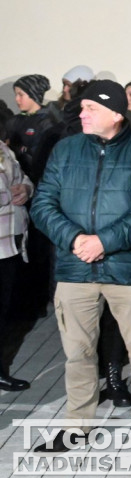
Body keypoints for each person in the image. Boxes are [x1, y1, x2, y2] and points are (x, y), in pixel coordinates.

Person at [30, 81, 131, 452]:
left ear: (116, 114)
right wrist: (76, 240)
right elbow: (42, 204)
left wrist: (104, 242)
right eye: (83, 108)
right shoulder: (66, 150)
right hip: (75, 270)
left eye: (92, 108)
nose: (83, 114)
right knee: (78, 354)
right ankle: (78, 427)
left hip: (128, 269)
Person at [0, 137, 32, 390]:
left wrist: (26, 190)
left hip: (9, 244)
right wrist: (7, 193)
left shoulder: (3, 148)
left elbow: (22, 179)